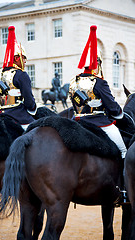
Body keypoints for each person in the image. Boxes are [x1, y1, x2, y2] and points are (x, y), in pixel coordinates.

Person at [69, 25, 127, 201]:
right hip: (100, 123)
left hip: (77, 121)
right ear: (98, 64)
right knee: (123, 150)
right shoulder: (99, 82)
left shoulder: (74, 82)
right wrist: (119, 116)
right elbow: (114, 109)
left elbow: (73, 104)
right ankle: (124, 189)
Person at [0, 26, 37, 131]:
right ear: (17, 58)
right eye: (23, 58)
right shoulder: (21, 75)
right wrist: (33, 108)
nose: (25, 62)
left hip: (1, 112)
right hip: (18, 115)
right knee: (39, 131)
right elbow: (29, 102)